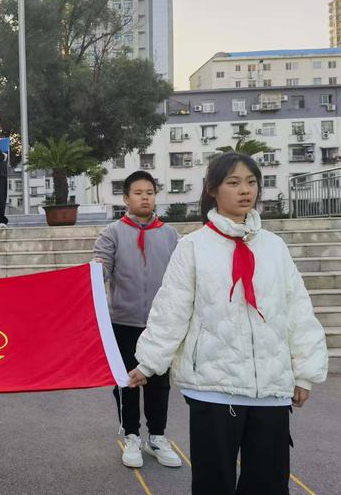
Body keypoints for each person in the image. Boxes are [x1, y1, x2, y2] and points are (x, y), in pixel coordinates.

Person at [129, 153, 328, 495]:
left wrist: (305, 371)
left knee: (268, 483)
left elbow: (297, 309)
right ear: (213, 189)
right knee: (213, 483)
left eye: (251, 182)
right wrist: (148, 363)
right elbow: (172, 309)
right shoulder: (193, 247)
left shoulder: (274, 247)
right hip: (213, 389)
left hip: (270, 391)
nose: (244, 190)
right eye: (233, 183)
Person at [93, 171, 181, 469]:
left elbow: (182, 278)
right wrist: (93, 273)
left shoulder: (170, 235)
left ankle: (157, 437)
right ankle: (131, 435)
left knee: (159, 383)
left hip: (159, 324)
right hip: (123, 321)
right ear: (126, 198)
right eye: (138, 192)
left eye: (150, 192)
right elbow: (100, 271)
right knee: (126, 382)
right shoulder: (113, 232)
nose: (145, 197)